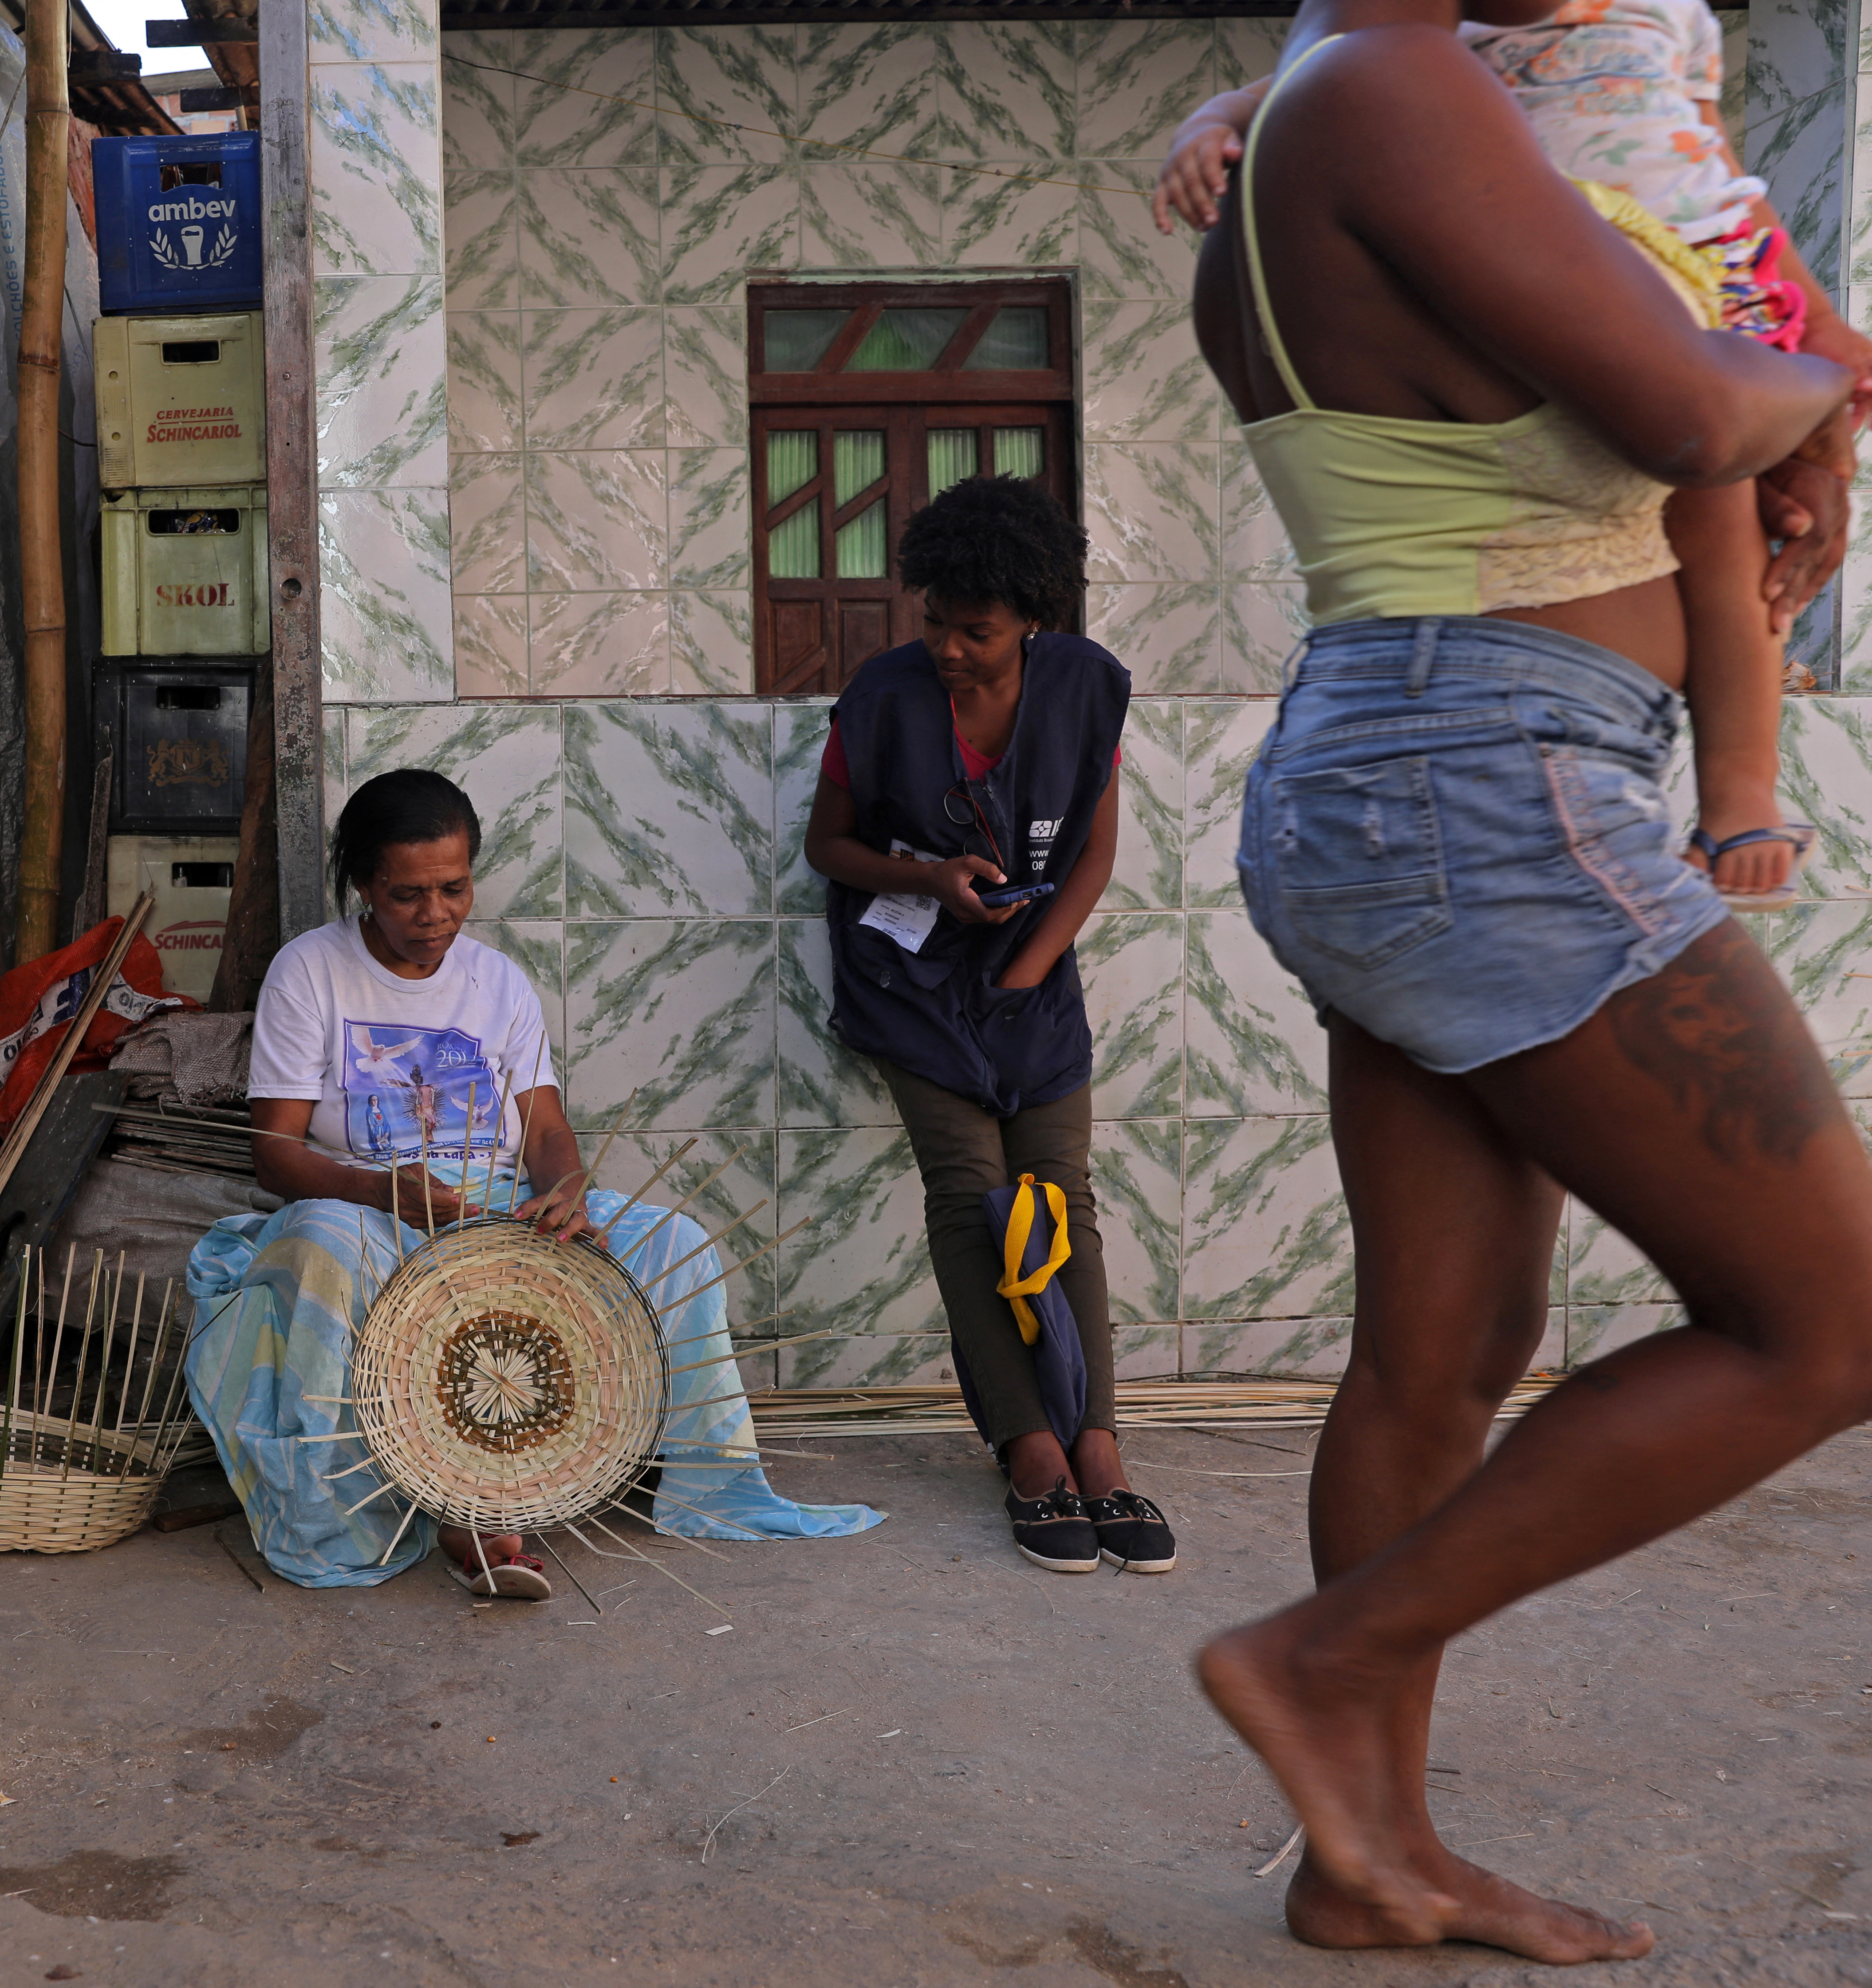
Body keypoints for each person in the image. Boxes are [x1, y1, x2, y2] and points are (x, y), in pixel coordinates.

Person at [1182, 4, 1864, 1963]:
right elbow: (1695, 415)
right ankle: (1324, 1661)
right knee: (1833, 1319)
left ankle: (1365, 1856)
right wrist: (1825, 378)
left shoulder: (1336, 106)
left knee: (1445, 1351)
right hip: (1484, 778)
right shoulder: (1388, 88)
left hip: (1416, 763)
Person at [1150, 0, 1872, 909]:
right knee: (1721, 500)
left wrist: (1816, 328)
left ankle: (1741, 792)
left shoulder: (1670, 15)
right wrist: (1209, 120)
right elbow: (1294, 78)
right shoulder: (1405, 56)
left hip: (1691, 281)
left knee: (1742, 550)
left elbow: (1719, 165)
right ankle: (1739, 803)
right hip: (1576, 281)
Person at [189, 769, 879, 1598]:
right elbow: (275, 1152)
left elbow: (546, 1132)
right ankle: (403, 1511)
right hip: (366, 1204)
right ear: (366, 886)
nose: (436, 914)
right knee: (322, 1250)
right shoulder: (310, 971)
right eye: (408, 894)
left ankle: (676, 1484)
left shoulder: (499, 981)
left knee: (675, 1242)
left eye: (454, 888)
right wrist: (380, 1194)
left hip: (495, 1203)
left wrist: (566, 1194)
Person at [798, 476, 1171, 1577]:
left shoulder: (1086, 690)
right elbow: (829, 846)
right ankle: (1030, 1448)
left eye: (978, 631)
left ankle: (1098, 1442)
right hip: (910, 979)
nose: (949, 649)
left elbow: (1095, 850)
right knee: (970, 1195)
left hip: (1031, 971)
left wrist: (1028, 967)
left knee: (1060, 1195)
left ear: (1033, 621)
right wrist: (929, 877)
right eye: (935, 623)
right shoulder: (880, 699)